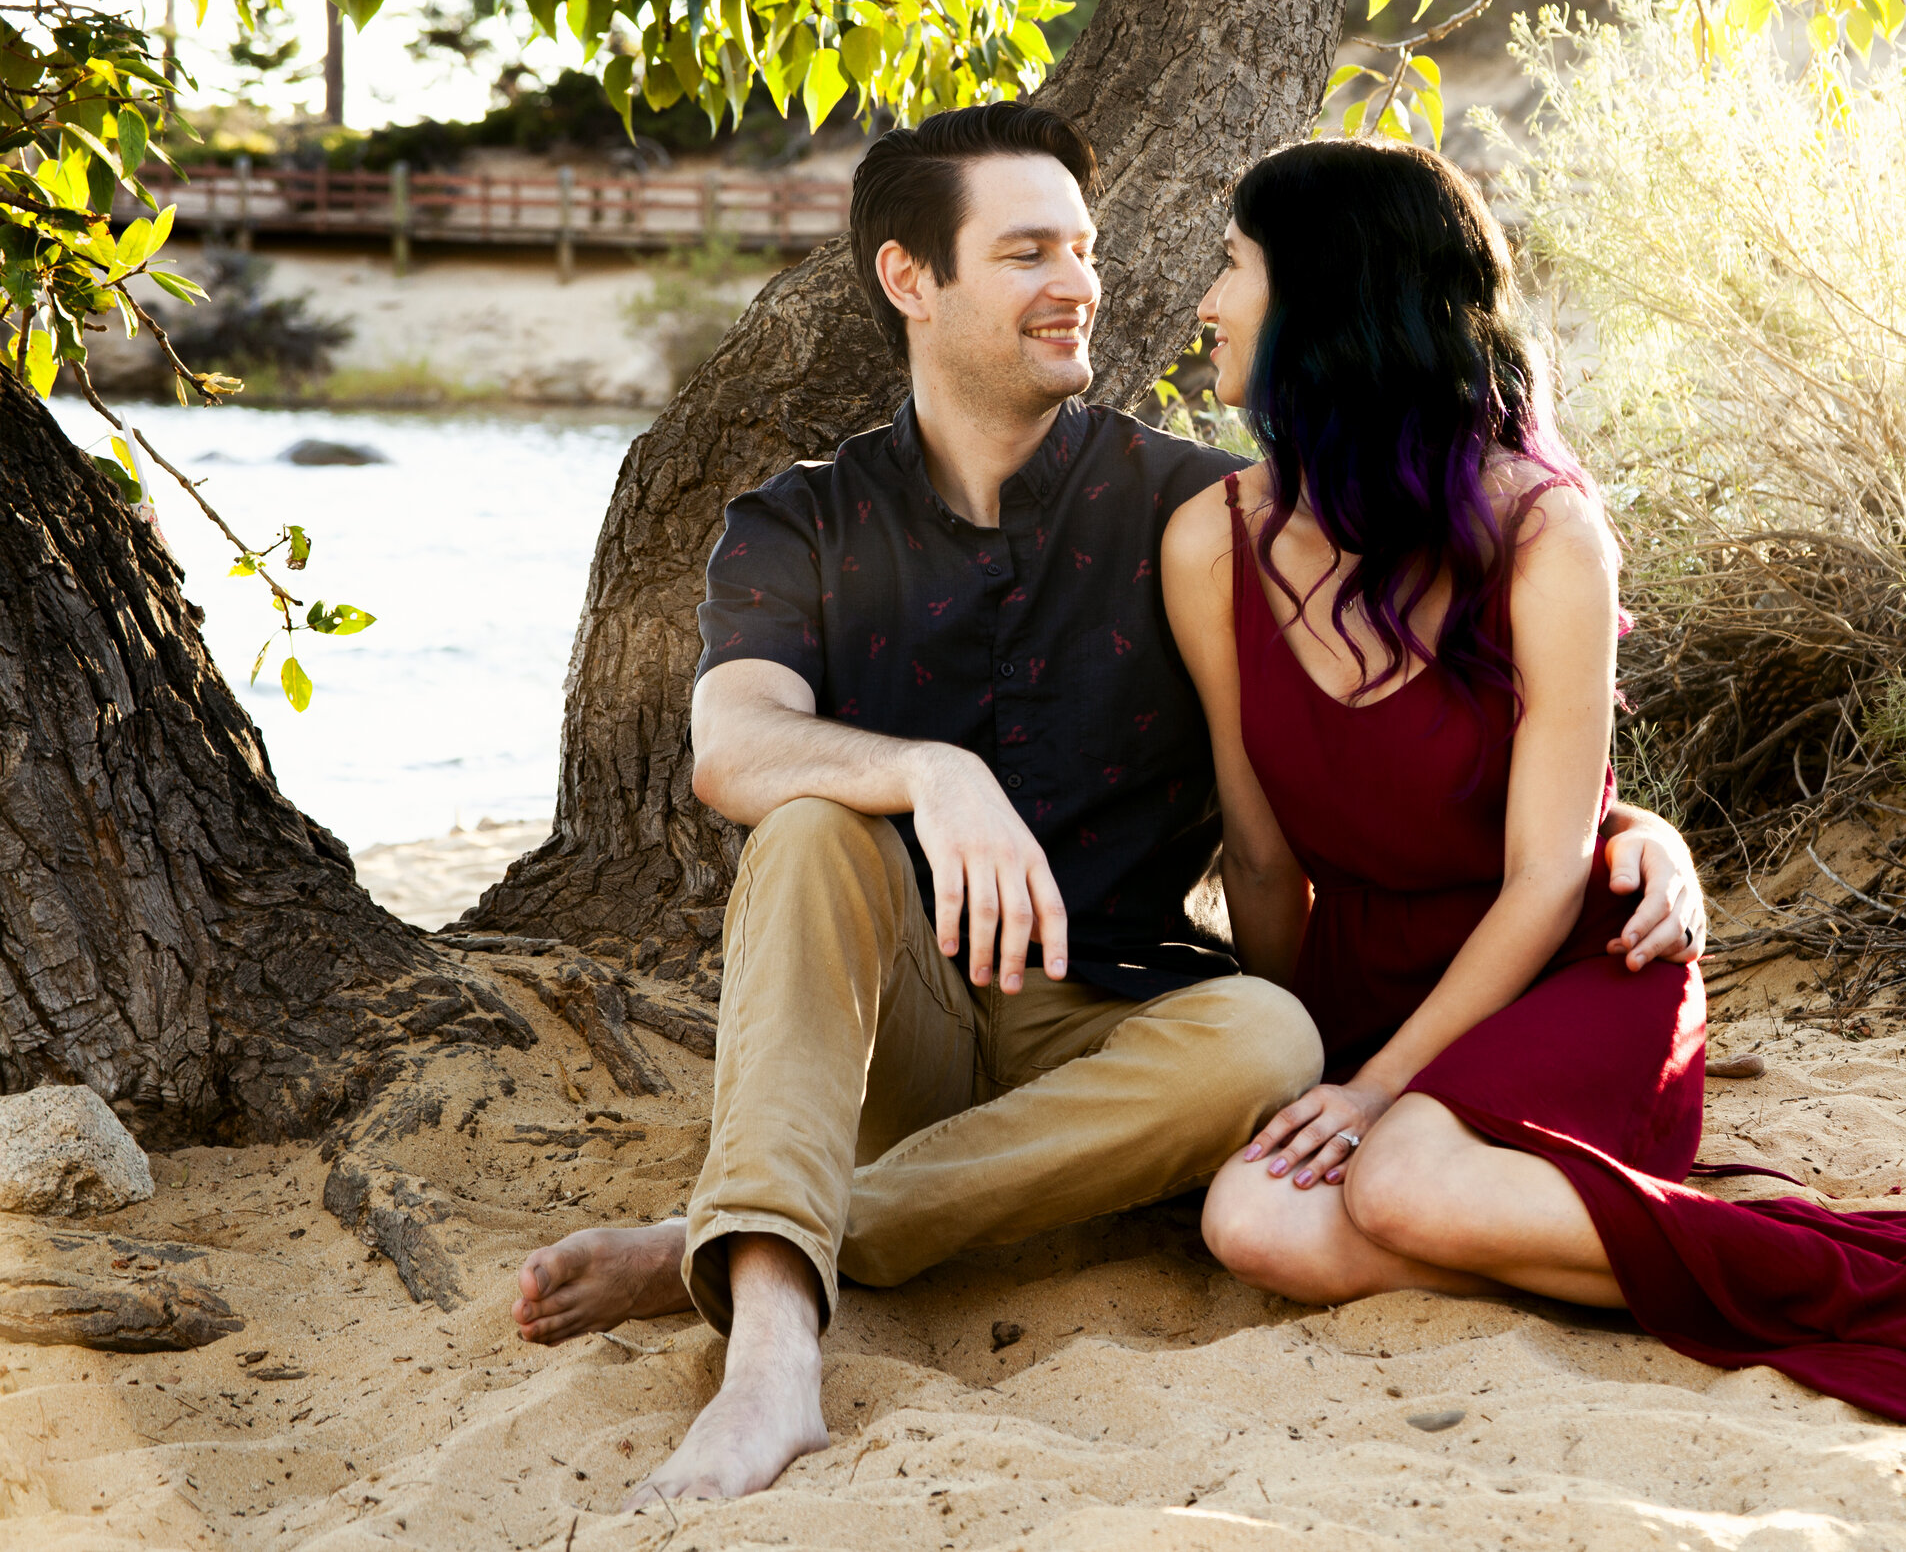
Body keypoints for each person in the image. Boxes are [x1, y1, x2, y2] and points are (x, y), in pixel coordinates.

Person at [505, 103, 1709, 1508]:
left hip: (1116, 1024)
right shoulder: (802, 521)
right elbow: (733, 745)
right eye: (1026, 253)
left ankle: (746, 1236)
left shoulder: (1203, 513)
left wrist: (1633, 834)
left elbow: (1418, 703)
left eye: (1081, 247)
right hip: (900, 1024)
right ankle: (770, 1339)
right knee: (816, 822)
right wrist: (925, 772)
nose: (1079, 282)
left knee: (1269, 1033)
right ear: (912, 280)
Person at [1162, 137, 1906, 1456]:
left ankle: (1844, 1286)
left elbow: (1549, 873)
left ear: (1331, 301)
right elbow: (1263, 868)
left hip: (1566, 975)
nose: (1207, 301)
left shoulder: (1545, 533)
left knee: (1404, 1184)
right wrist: (1319, 1068)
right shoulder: (1209, 540)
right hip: (1368, 983)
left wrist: (1378, 1095)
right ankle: (1631, 1251)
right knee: (1252, 1221)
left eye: (1235, 266)